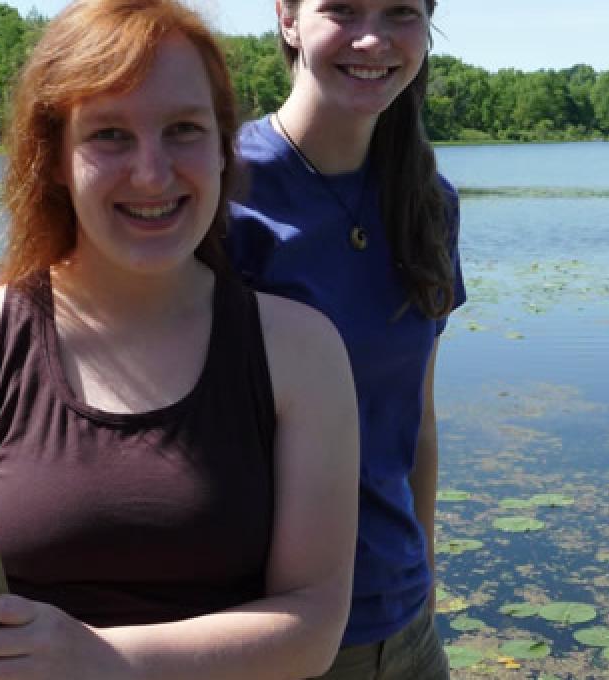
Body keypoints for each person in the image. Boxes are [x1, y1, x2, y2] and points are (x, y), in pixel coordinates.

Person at [0, 1, 360, 678]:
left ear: (223, 148)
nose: (151, 172)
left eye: (183, 130)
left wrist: (106, 659)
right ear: (53, 157)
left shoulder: (299, 353)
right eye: (110, 135)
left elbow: (313, 625)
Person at [225, 1, 465, 677]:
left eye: (399, 12)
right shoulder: (219, 194)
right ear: (288, 18)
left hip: (408, 629)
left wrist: (424, 575)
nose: (372, 39)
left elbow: (414, 419)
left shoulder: (428, 202)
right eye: (343, 9)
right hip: (274, 638)